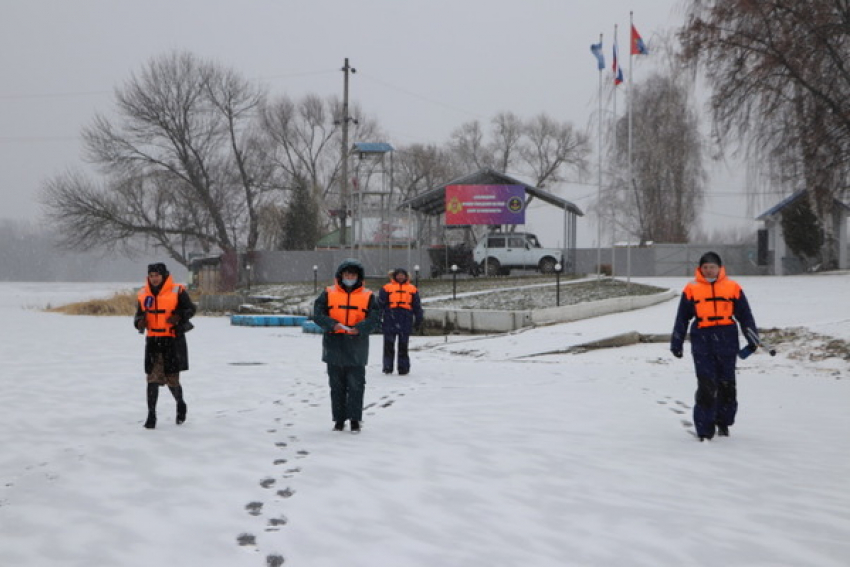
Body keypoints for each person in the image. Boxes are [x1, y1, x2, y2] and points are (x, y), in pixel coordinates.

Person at [670, 251, 758, 441]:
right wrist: (677, 342)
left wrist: (753, 338)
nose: (709, 270)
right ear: (700, 269)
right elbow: (682, 317)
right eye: (705, 267)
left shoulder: (733, 287)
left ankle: (723, 422)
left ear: (720, 268)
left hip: (727, 338)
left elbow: (745, 315)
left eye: (712, 267)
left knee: (727, 384)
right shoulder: (691, 288)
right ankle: (704, 429)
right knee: (706, 385)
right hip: (702, 339)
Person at [313, 258, 380, 433]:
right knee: (336, 387)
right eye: (346, 274)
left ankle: (355, 419)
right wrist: (332, 324)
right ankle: (339, 420)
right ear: (340, 275)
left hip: (357, 347)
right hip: (334, 346)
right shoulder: (328, 293)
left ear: (358, 276)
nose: (349, 277)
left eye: (352, 274)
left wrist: (360, 328)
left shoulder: (368, 296)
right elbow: (318, 314)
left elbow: (375, 318)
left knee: (357, 386)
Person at [134, 263, 196, 430]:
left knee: (172, 380)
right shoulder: (142, 293)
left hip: (172, 341)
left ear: (164, 276)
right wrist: (139, 322)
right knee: (152, 379)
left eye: (157, 275)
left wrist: (178, 317)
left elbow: (191, 309)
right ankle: (151, 415)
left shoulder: (178, 290)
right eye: (151, 275)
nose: (154, 278)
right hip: (153, 341)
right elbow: (138, 316)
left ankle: (180, 403)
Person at [379, 267, 424, 375]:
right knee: (389, 344)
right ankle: (387, 367)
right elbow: (380, 305)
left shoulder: (412, 289)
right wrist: (378, 319)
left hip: (405, 317)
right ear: (394, 276)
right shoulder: (386, 288)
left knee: (403, 345)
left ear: (406, 276)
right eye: (398, 275)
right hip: (390, 317)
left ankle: (403, 368)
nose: (400, 277)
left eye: (402, 275)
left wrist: (419, 319)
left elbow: (417, 306)